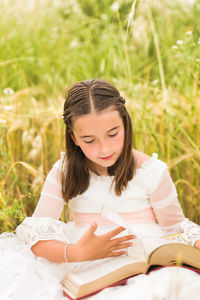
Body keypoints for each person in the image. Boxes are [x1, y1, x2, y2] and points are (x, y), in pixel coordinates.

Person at [0, 79, 200, 300]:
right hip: (83, 262)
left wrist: (194, 240)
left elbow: (176, 226)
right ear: (74, 138)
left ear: (125, 124)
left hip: (143, 261)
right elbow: (36, 234)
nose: (104, 149)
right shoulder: (64, 172)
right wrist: (78, 253)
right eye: (89, 140)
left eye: (113, 134)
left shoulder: (152, 172)